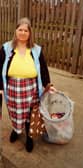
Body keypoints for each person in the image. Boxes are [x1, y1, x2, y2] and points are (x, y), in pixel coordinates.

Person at [0, 17, 55, 152]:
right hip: (13, 87)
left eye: (26, 30)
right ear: (16, 31)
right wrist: (0, 87)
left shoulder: (36, 50)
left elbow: (43, 68)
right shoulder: (6, 48)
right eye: (20, 29)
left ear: (30, 33)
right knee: (15, 112)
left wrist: (48, 85)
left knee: (30, 113)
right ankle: (16, 130)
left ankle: (29, 136)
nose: (23, 32)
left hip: (32, 88)